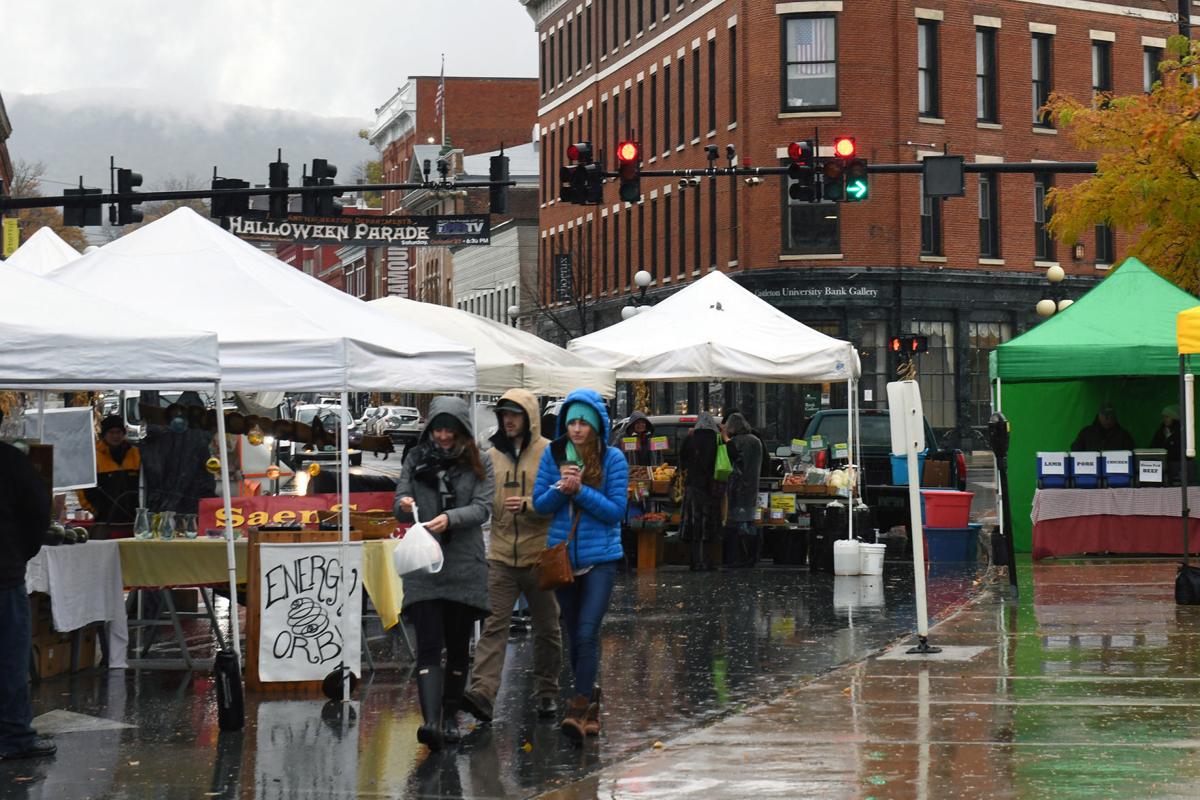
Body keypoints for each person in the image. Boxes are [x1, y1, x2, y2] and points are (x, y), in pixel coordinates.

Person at [394, 397, 494, 752]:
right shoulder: (415, 458)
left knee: (456, 646)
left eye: (450, 429)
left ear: (463, 429)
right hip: (424, 564)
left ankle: (450, 716)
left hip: (464, 563)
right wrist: (405, 506)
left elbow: (483, 508)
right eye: (438, 429)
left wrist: (451, 518)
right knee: (428, 643)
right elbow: (399, 501)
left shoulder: (480, 461)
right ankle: (431, 721)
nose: (444, 436)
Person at [460, 389, 562, 724]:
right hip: (501, 556)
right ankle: (482, 695)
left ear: (529, 416)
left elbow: (559, 498)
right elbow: (481, 497)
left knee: (548, 628)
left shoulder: (549, 453)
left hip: (539, 555)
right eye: (504, 414)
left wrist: (532, 506)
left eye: (515, 414)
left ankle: (547, 692)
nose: (508, 420)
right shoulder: (491, 455)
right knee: (493, 627)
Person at [532, 389, 627, 741]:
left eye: (583, 422)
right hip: (563, 559)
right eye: (571, 421)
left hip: (601, 558)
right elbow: (540, 505)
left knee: (588, 630)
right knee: (574, 635)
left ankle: (578, 704)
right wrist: (561, 488)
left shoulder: (613, 459)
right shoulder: (552, 455)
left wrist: (581, 490)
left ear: (596, 426)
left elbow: (616, 512)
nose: (576, 429)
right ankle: (591, 703)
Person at [1, 413, 56, 761]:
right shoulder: (11, 462)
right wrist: (18, 554)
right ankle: (14, 735)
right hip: (3, 575)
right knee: (8, 658)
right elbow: (38, 514)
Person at [678, 413, 737, 571]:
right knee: (709, 526)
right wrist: (725, 435)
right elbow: (734, 454)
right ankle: (707, 562)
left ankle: (694, 561)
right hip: (712, 488)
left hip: (692, 488)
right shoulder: (717, 440)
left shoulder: (690, 439)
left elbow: (682, 460)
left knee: (694, 526)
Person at [77, 415, 141, 531]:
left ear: (123, 433)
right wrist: (95, 511)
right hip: (105, 521)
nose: (115, 436)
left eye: (118, 432)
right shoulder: (93, 457)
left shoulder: (136, 454)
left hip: (134, 521)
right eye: (111, 432)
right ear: (104, 434)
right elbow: (82, 489)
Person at [723, 413, 764, 567]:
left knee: (735, 524)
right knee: (750, 522)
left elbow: (736, 463)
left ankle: (738, 557)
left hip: (738, 488)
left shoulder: (736, 442)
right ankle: (752, 556)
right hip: (753, 487)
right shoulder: (756, 441)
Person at [1151, 404, 1183, 480]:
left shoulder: (1181, 433)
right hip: (1159, 468)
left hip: (1176, 469)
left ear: (1174, 418)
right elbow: (1152, 448)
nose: (1165, 419)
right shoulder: (1160, 432)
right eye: (1164, 417)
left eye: (1167, 417)